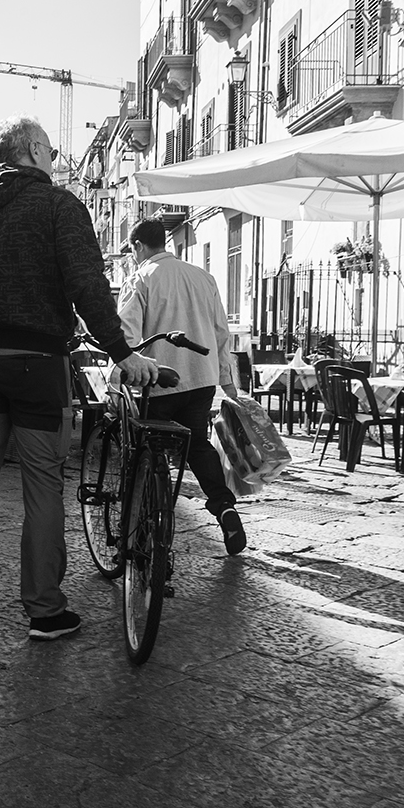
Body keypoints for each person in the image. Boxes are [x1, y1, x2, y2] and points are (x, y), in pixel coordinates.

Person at [0, 117, 159, 640]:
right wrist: (121, 352)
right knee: (42, 483)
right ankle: (43, 609)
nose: (57, 159)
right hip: (36, 362)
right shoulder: (60, 206)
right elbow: (88, 287)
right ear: (36, 150)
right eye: (52, 150)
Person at [119, 217, 247, 556]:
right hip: (201, 379)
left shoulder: (140, 278)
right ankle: (224, 507)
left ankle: (143, 533)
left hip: (158, 381)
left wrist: (117, 378)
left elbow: (126, 337)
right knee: (198, 446)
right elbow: (222, 333)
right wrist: (227, 382)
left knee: (148, 450)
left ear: (138, 247)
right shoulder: (204, 277)